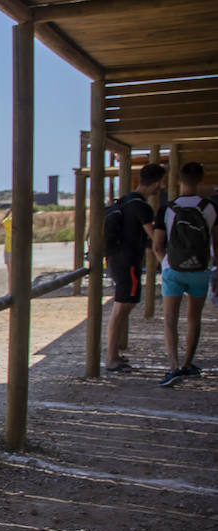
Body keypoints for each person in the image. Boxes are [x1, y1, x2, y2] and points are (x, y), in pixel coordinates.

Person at [152, 162, 217, 387]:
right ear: (200, 180)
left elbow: (158, 246)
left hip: (174, 269)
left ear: (179, 180)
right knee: (193, 319)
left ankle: (173, 366)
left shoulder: (167, 209)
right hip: (200, 269)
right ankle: (188, 363)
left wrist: (168, 265)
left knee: (170, 319)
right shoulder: (211, 208)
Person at [104, 163, 165, 372]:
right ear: (157, 182)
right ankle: (111, 358)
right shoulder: (142, 207)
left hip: (117, 260)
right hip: (127, 263)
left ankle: (114, 355)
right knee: (121, 309)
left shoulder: (125, 200)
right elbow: (155, 239)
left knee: (122, 308)